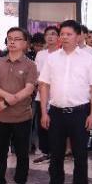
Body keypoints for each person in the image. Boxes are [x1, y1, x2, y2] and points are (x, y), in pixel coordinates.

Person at [39, 19, 92, 184]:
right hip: (56, 113)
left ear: (78, 36)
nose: (64, 37)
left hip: (80, 113)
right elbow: (44, 85)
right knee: (56, 156)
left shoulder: (88, 59)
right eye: (62, 34)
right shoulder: (52, 58)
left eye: (69, 34)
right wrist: (44, 112)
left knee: (80, 157)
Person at [0, 28, 38, 184]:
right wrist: (8, 97)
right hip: (0, 116)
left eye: (17, 39)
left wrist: (7, 102)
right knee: (0, 153)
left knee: (22, 154)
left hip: (22, 117)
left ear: (25, 43)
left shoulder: (30, 65)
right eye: (9, 38)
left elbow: (28, 89)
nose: (12, 41)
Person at [33, 25, 60, 165]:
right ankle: (45, 152)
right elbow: (37, 73)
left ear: (58, 37)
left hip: (57, 96)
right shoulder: (41, 54)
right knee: (42, 124)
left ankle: (56, 153)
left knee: (55, 125)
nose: (50, 36)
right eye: (48, 34)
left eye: (53, 34)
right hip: (41, 95)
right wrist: (37, 84)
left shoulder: (62, 54)